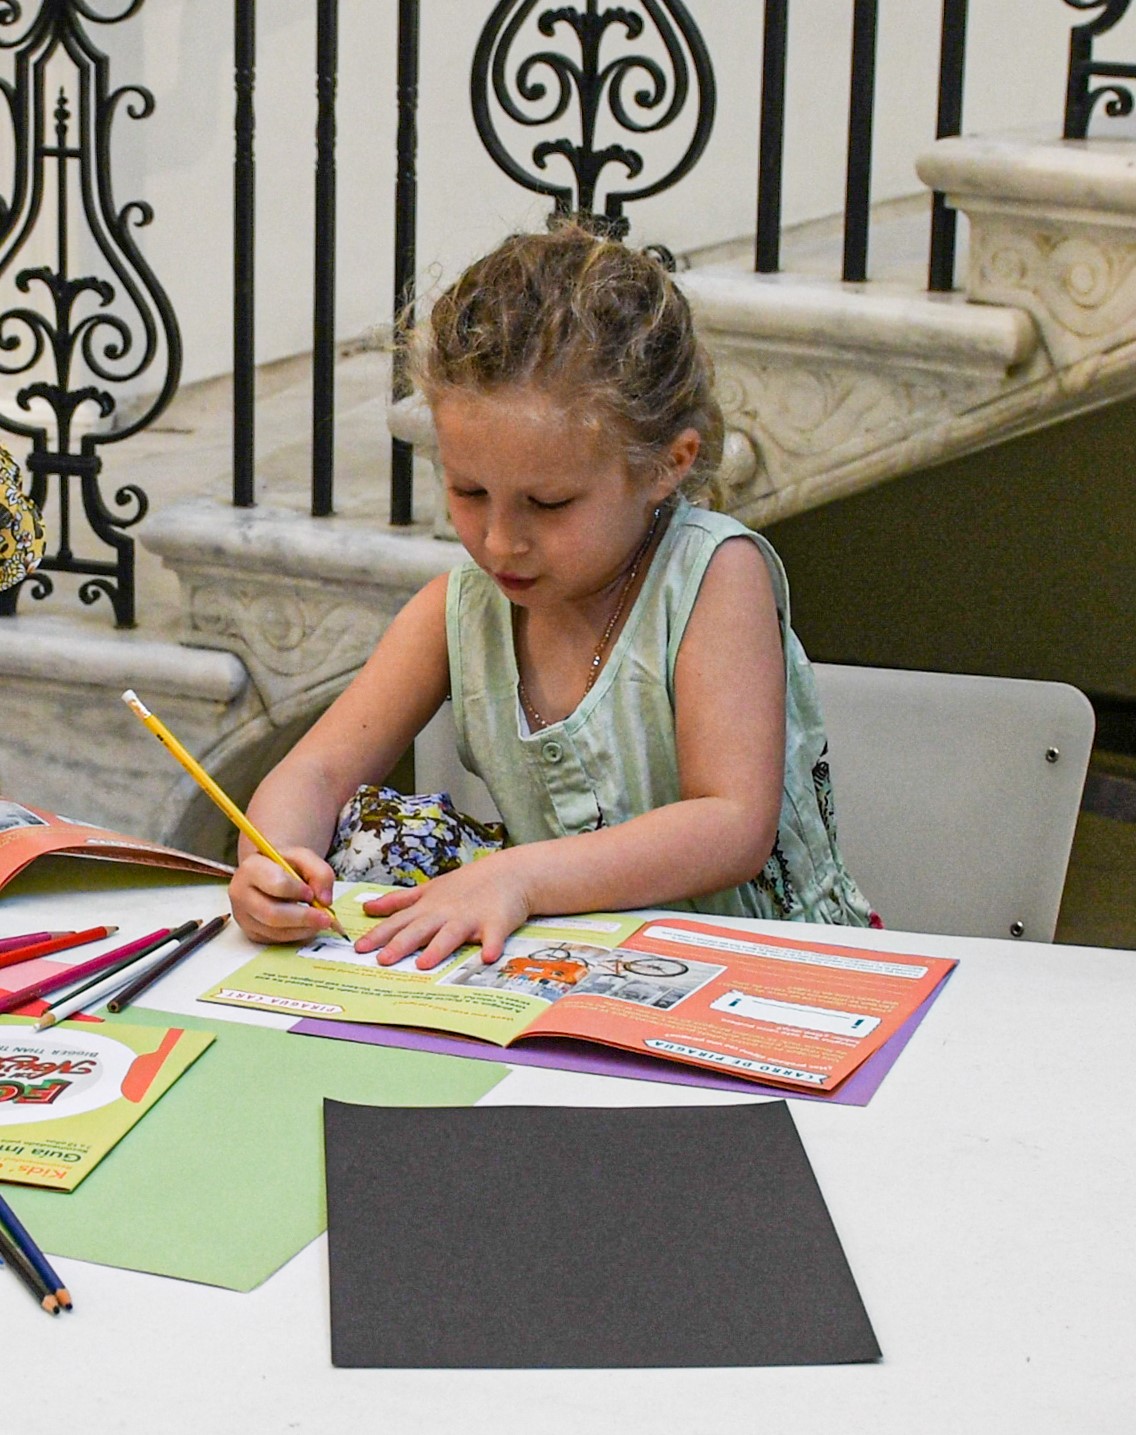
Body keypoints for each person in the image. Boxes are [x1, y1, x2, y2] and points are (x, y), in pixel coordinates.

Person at [229, 224, 873, 967]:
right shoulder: (456, 609)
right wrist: (271, 863)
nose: (501, 540)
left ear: (667, 464)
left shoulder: (714, 578)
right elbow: (315, 772)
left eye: (550, 502)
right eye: (469, 490)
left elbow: (731, 823)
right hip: (576, 973)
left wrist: (517, 876)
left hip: (776, 975)